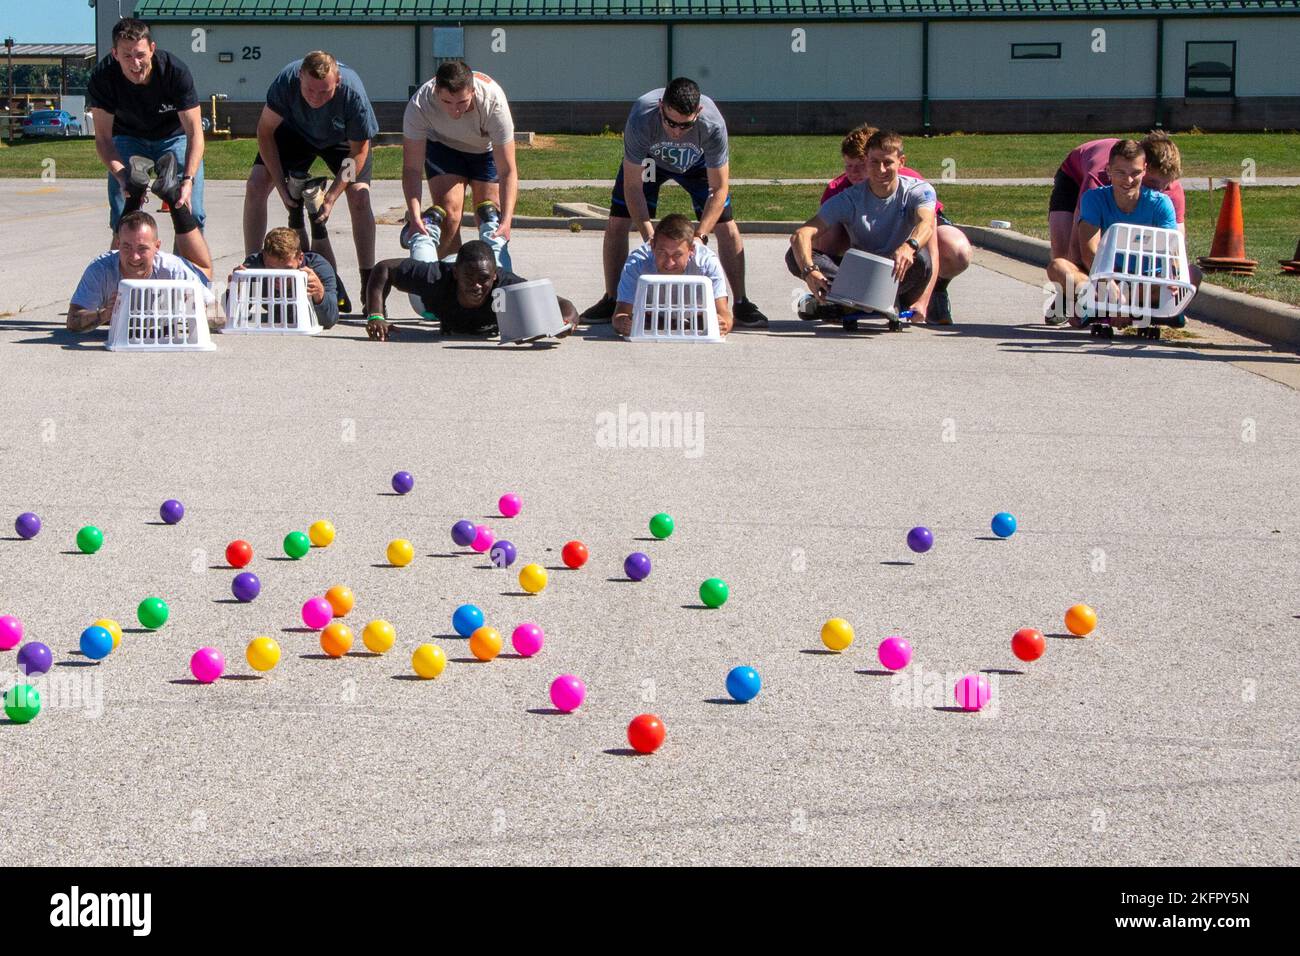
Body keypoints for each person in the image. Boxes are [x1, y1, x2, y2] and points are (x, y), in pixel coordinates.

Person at [580, 78, 766, 328]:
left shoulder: (712, 124)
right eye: (671, 122)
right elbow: (633, 187)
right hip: (652, 159)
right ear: (660, 107)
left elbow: (719, 189)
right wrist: (649, 236)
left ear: (698, 113)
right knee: (617, 220)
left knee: (726, 225)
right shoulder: (641, 116)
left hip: (697, 161)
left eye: (685, 125)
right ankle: (613, 298)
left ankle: (741, 302)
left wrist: (700, 236)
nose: (677, 131)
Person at [241, 51, 379, 314]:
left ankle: (368, 281)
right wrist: (281, 187)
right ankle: (253, 271)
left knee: (360, 197)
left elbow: (358, 151)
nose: (316, 98)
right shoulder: (285, 83)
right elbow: (265, 132)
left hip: (342, 141)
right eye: (310, 91)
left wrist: (332, 197)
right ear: (299, 77)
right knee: (256, 184)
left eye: (324, 92)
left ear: (337, 81)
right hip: (295, 134)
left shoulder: (353, 94)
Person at [803, 124, 971, 324]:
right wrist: (810, 270)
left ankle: (936, 292)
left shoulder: (911, 183)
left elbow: (930, 245)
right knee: (820, 238)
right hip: (868, 248)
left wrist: (923, 300)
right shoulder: (839, 191)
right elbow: (807, 235)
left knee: (955, 248)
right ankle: (840, 293)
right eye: (849, 167)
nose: (855, 174)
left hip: (906, 240)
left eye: (861, 166)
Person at [86, 18, 212, 270]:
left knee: (191, 210)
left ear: (152, 49)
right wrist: (123, 178)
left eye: (141, 55)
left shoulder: (175, 71)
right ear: (114, 54)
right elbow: (103, 139)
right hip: (128, 138)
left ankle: (184, 277)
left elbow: (195, 133)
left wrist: (187, 180)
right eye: (126, 56)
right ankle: (121, 285)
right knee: (123, 211)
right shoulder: (103, 77)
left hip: (173, 136)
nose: (135, 63)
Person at [1045, 139, 1200, 327]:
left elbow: (1175, 246)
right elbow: (1083, 249)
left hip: (1139, 279)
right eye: (1121, 173)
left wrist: (1174, 274)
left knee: (1192, 273)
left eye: (1135, 174)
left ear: (1143, 170)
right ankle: (1078, 300)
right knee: (1060, 263)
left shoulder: (1164, 199)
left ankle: (1134, 308)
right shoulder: (1094, 192)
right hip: (1104, 275)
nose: (1128, 181)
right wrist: (1105, 284)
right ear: (1109, 171)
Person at [789, 130, 936, 319]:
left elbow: (926, 224)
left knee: (923, 259)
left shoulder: (918, 190)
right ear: (866, 160)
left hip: (897, 272)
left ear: (901, 162)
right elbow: (800, 235)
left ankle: (843, 302)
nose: (881, 169)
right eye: (874, 162)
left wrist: (910, 245)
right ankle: (857, 300)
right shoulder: (849, 198)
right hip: (858, 273)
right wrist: (810, 270)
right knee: (796, 256)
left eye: (888, 162)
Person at [400, 61, 517, 270]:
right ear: (436, 91)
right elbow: (411, 169)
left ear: (472, 91)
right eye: (446, 102)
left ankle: (488, 285)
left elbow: (508, 171)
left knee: (489, 218)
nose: (455, 111)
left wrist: (506, 221)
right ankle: (450, 285)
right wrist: (415, 215)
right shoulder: (420, 104)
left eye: (462, 102)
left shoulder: (493, 101)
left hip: (484, 151)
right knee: (449, 216)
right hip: (443, 147)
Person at [363, 240, 577, 341]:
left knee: (494, 254)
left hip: (475, 264)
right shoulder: (435, 277)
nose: (476, 286)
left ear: (494, 277)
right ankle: (426, 230)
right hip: (429, 305)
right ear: (456, 274)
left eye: (484, 279)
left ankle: (491, 224)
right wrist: (375, 315)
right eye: (469, 279)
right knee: (423, 255)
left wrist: (566, 322)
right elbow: (384, 268)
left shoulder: (507, 287)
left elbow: (563, 305)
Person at [1048, 131, 1186, 265]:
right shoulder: (1100, 181)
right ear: (1142, 170)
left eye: (1165, 186)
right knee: (1063, 254)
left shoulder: (1171, 189)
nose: (1159, 191)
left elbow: (1176, 246)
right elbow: (1077, 247)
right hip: (1074, 176)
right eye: (1152, 185)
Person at [66, 211, 210, 333]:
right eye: (127, 247)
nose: (134, 257)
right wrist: (103, 314)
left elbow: (219, 314)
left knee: (205, 270)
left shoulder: (174, 269)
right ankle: (132, 198)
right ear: (117, 245)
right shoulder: (100, 270)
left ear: (157, 246)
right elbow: (73, 320)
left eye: (142, 249)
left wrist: (199, 309)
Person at [612, 213, 732, 337]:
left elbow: (724, 312)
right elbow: (621, 313)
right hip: (651, 317)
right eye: (662, 253)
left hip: (697, 317)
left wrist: (722, 324)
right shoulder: (636, 263)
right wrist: (623, 323)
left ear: (691, 250)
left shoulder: (707, 263)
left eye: (677, 255)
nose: (669, 263)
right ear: (652, 246)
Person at [235, 227, 340, 330]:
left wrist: (320, 295)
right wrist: (235, 292)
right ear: (263, 258)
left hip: (306, 316)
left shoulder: (318, 269)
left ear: (300, 258)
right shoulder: (254, 267)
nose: (279, 276)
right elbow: (232, 317)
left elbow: (330, 320)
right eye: (272, 268)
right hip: (276, 316)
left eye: (287, 268)